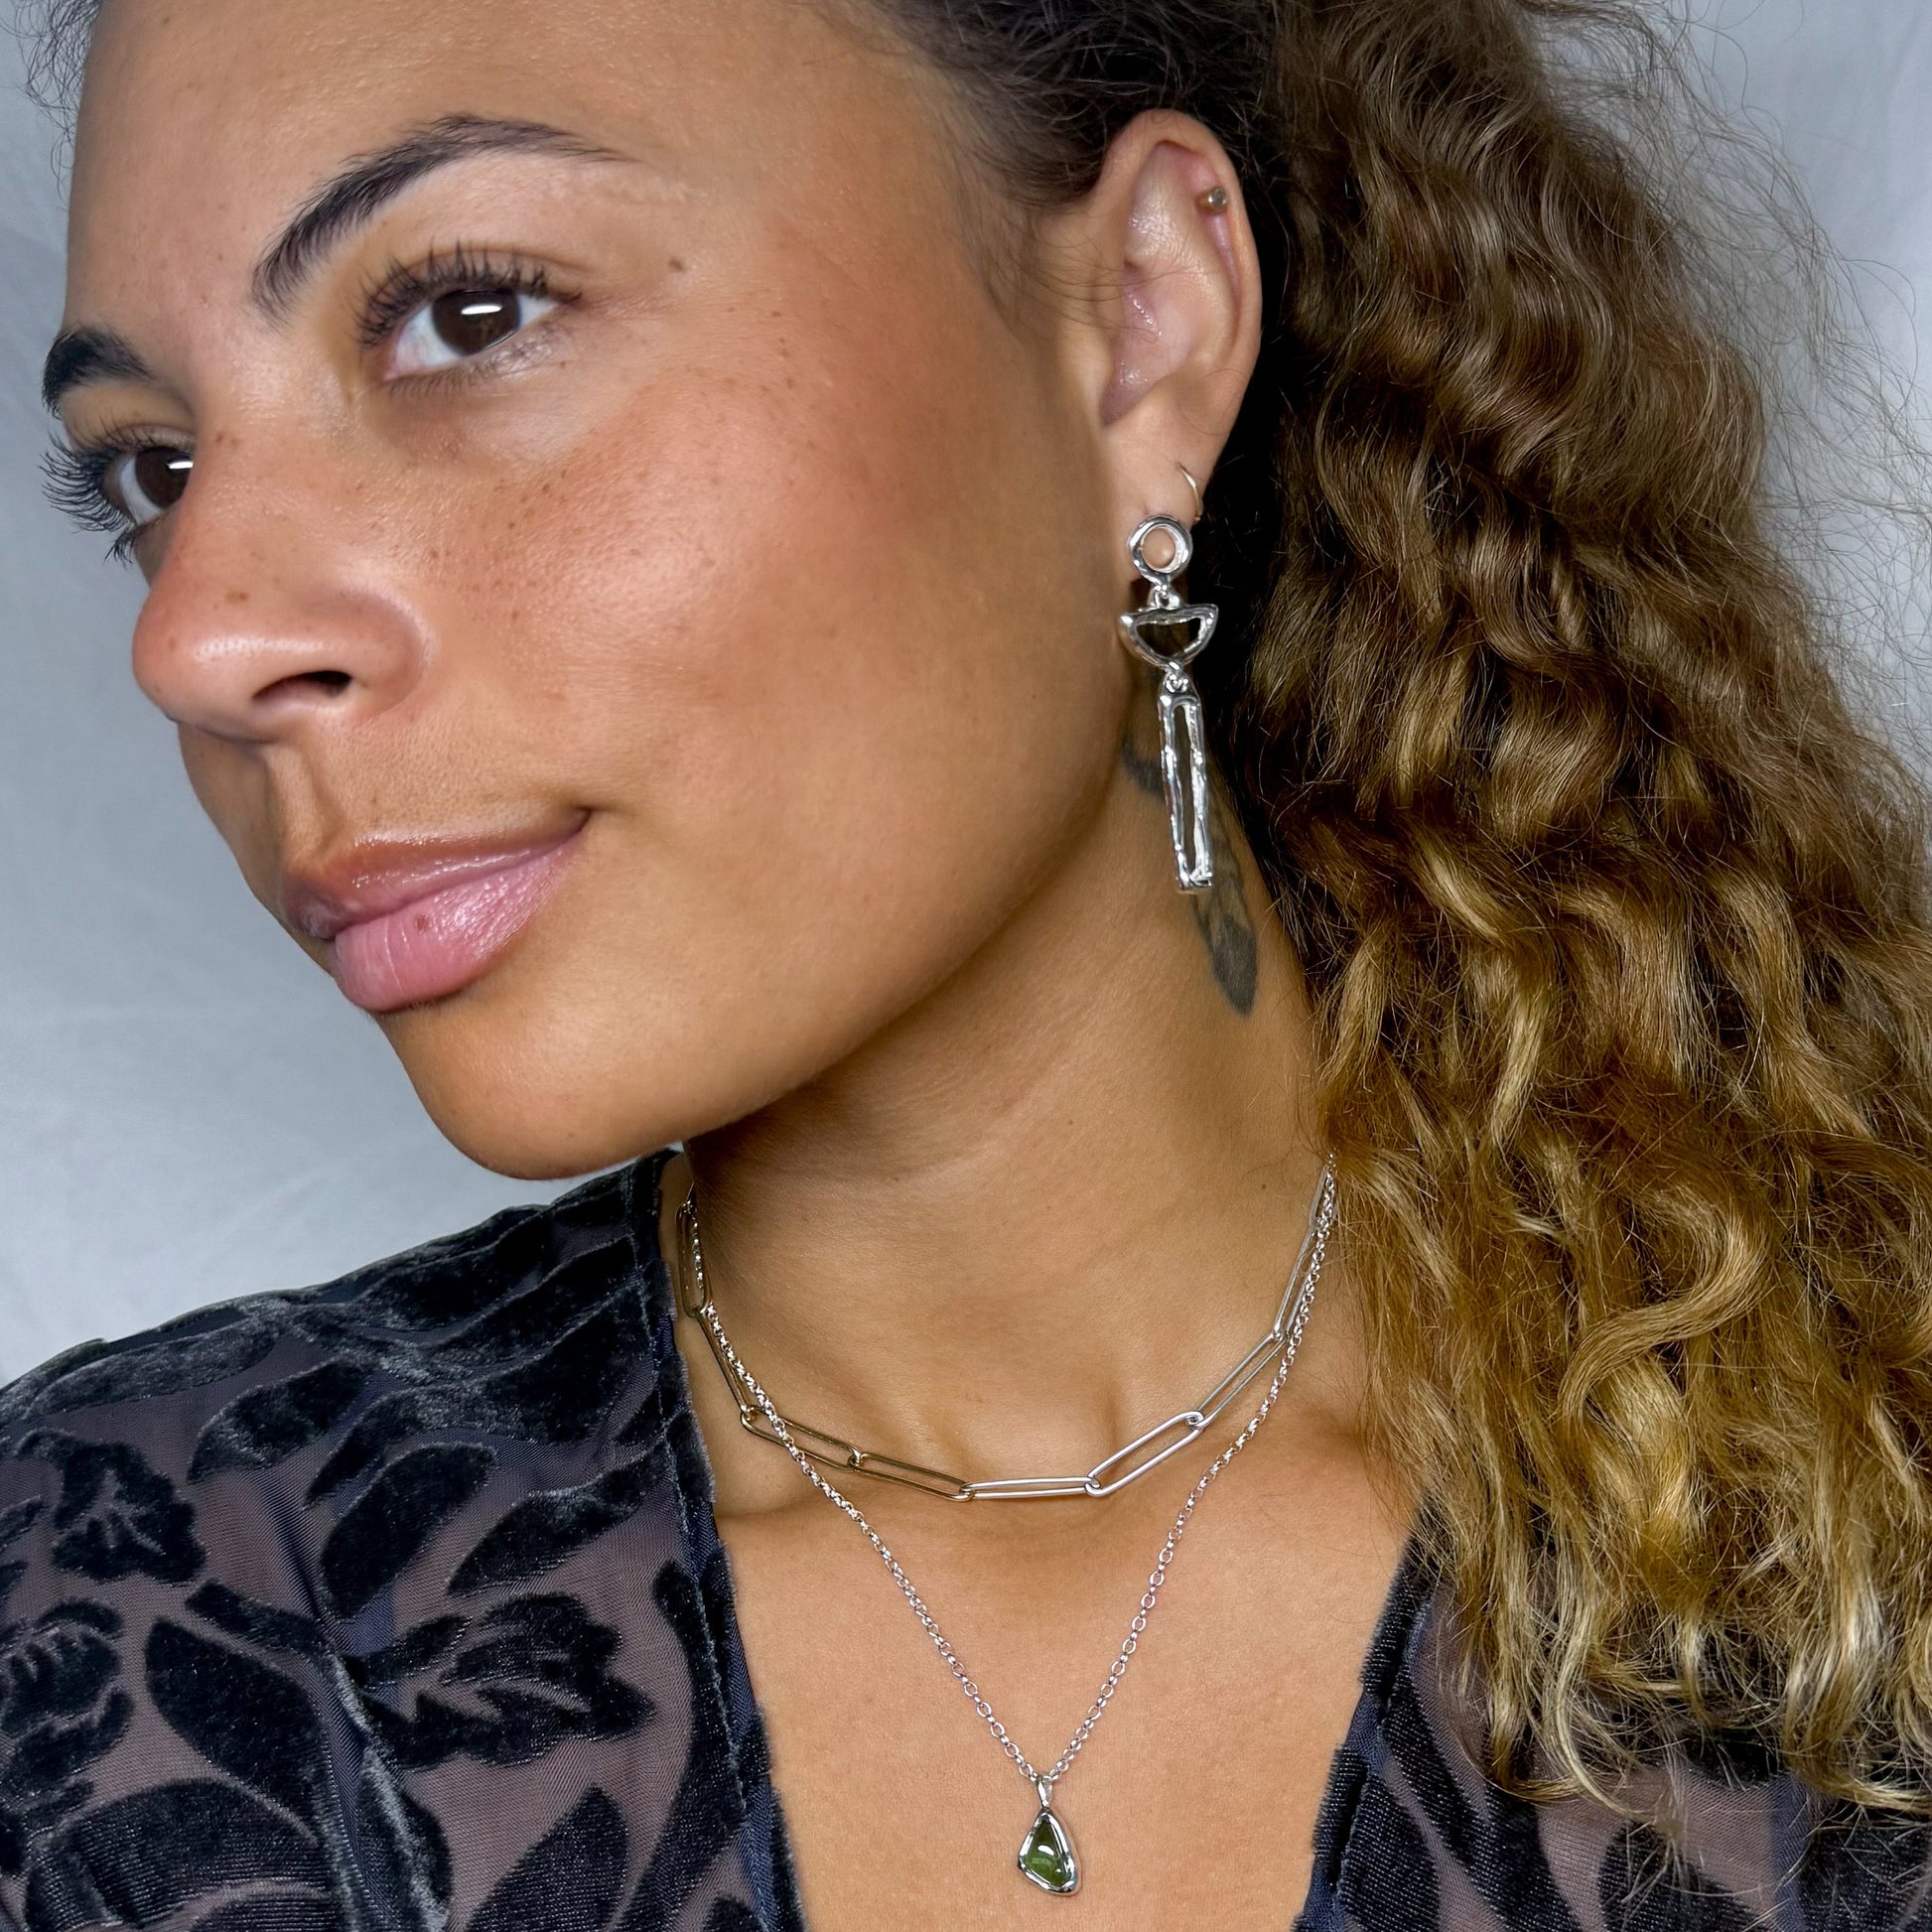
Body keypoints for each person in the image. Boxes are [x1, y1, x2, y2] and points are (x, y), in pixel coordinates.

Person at [6, 0, 1932, 1923]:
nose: (198, 638)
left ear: (1141, 326)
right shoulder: (108, 1614)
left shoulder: (1878, 1489)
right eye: (156, 470)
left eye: (470, 313)